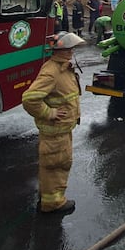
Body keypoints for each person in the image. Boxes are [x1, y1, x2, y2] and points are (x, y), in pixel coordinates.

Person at [22, 31, 85, 214]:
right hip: (55, 132)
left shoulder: (63, 67)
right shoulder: (52, 72)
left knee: (57, 164)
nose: (72, 52)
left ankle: (49, 196)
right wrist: (49, 113)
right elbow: (30, 99)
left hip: (62, 130)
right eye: (69, 49)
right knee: (56, 165)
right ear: (60, 51)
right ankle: (53, 204)